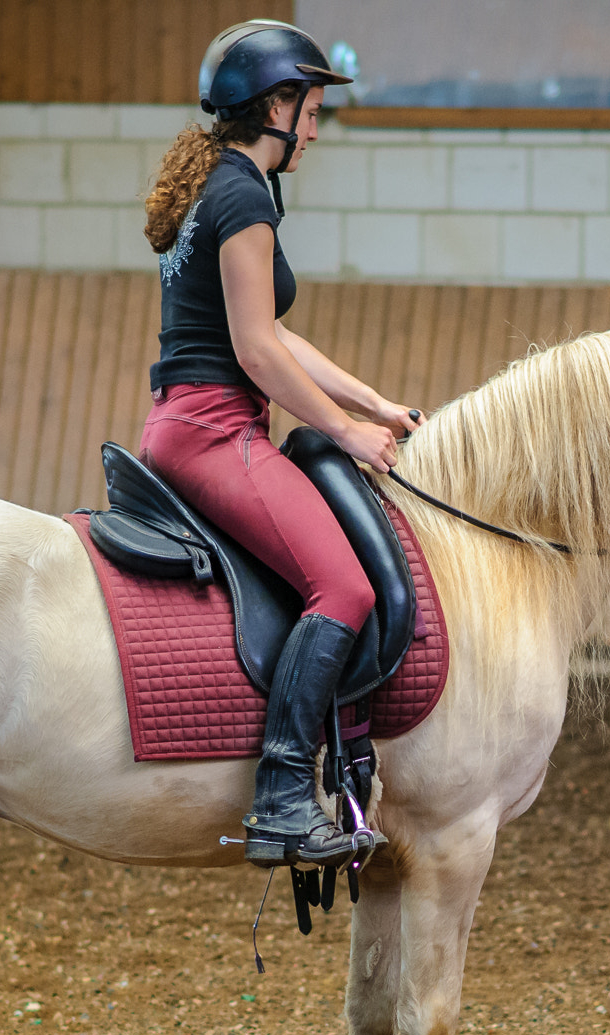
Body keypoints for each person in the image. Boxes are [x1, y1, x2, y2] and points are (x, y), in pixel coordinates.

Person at [140, 19, 421, 869]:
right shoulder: (243, 195)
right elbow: (257, 352)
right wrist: (346, 434)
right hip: (212, 429)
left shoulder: (223, 187)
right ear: (276, 105)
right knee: (343, 587)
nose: (314, 127)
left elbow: (271, 336)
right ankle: (284, 792)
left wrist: (374, 401)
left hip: (191, 421)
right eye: (309, 107)